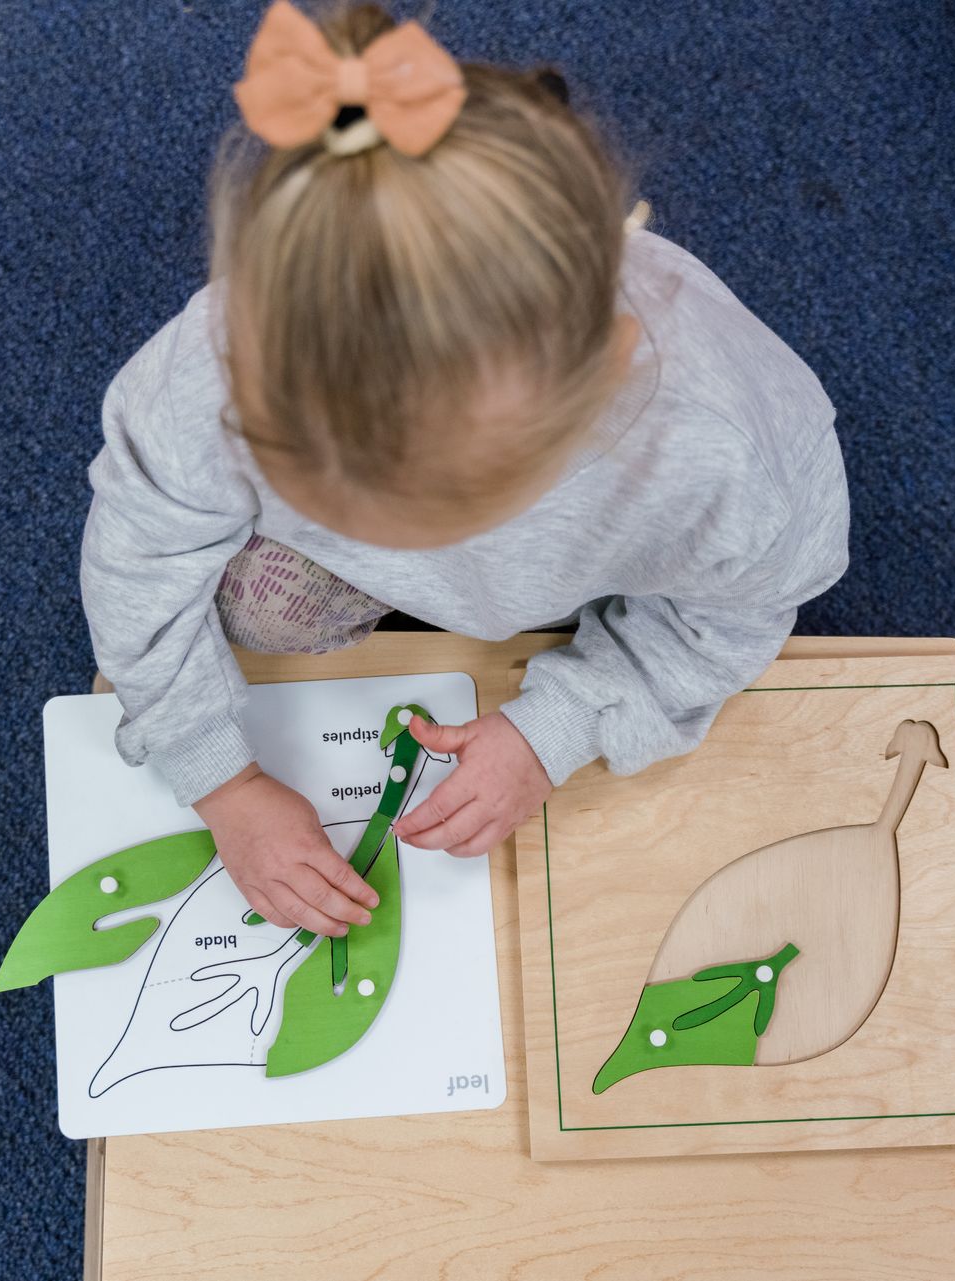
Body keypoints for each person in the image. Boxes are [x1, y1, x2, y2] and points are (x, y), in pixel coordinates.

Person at [82, 2, 849, 940]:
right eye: (337, 499)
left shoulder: (736, 460)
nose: (391, 537)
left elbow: (734, 614)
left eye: (436, 511)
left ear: (606, 369)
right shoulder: (225, 361)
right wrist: (221, 779)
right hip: (477, 572)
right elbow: (138, 550)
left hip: (608, 575)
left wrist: (553, 729)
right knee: (248, 605)